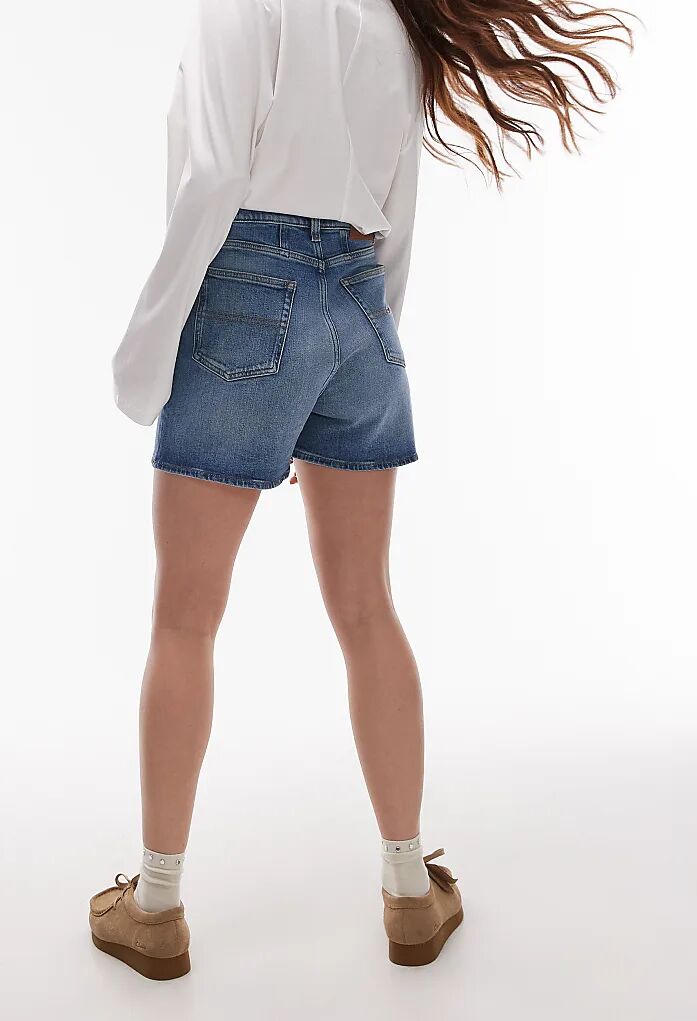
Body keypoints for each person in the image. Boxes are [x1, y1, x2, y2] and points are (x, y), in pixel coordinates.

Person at [89, 0, 633, 979]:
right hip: (360, 305)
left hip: (245, 293)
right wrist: (350, 360)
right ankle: (410, 889)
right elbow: (398, 214)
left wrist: (146, 355)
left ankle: (156, 905)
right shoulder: (391, 25)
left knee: (185, 618)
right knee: (367, 607)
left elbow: (212, 177)